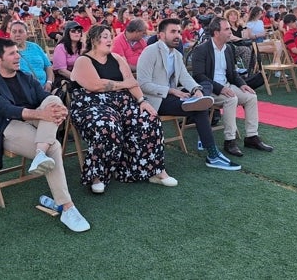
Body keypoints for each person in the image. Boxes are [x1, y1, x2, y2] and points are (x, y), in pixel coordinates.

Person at [0, 38, 90, 232]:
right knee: (53, 146)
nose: (17, 56)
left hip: (35, 124)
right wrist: (42, 114)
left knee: (54, 98)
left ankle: (40, 153)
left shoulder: (26, 77)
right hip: (7, 128)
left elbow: (44, 98)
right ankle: (67, 207)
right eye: (11, 53)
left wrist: (59, 108)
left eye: (17, 52)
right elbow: (6, 109)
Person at [70, 24, 176, 193]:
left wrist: (142, 100)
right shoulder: (84, 60)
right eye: (105, 36)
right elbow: (96, 85)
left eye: (110, 36)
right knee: (107, 125)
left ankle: (155, 171)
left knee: (148, 119)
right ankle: (97, 175)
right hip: (91, 106)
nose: (110, 39)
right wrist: (122, 85)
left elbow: (132, 83)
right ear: (93, 40)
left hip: (121, 104)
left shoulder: (118, 58)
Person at [137, 18, 241, 169]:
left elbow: (185, 77)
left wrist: (196, 90)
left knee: (203, 91)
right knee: (199, 108)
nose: (177, 35)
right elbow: (143, 84)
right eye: (172, 32)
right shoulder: (150, 51)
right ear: (161, 35)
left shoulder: (177, 55)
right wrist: (171, 91)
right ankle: (213, 154)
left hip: (173, 96)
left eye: (179, 32)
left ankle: (199, 103)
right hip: (156, 100)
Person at [191, 17, 273, 155]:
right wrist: (221, 88)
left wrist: (242, 84)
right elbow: (199, 76)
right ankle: (230, 141)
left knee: (251, 96)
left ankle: (251, 137)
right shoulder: (201, 49)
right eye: (227, 29)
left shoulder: (228, 48)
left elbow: (232, 73)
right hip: (209, 89)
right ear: (216, 33)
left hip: (227, 85)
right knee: (231, 99)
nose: (230, 32)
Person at [10, 21, 53, 91]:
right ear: (10, 34)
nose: (17, 34)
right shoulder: (7, 51)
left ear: (27, 34)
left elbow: (48, 66)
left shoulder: (35, 47)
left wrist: (49, 82)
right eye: (14, 32)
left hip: (45, 87)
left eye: (20, 31)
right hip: (22, 90)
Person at [52, 21, 83, 86]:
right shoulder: (60, 47)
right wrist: (79, 79)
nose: (77, 33)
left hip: (81, 75)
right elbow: (61, 71)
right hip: (65, 78)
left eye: (79, 31)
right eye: (73, 31)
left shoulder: (82, 46)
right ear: (67, 33)